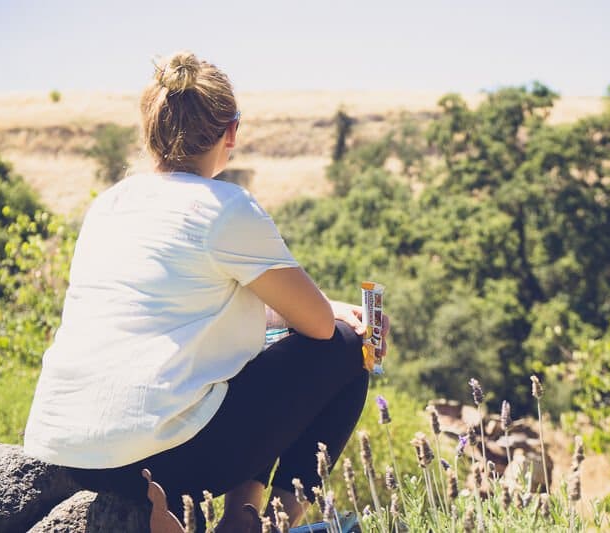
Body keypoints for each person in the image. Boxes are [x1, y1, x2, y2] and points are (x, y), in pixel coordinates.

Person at [23, 51, 389, 532]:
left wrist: (320, 309)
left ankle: (242, 518)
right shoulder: (225, 206)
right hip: (160, 460)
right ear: (231, 132)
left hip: (68, 452)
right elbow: (320, 327)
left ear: (150, 129)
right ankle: (253, 522)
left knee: (248, 355)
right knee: (348, 350)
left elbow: (185, 310)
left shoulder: (109, 205)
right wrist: (338, 314)